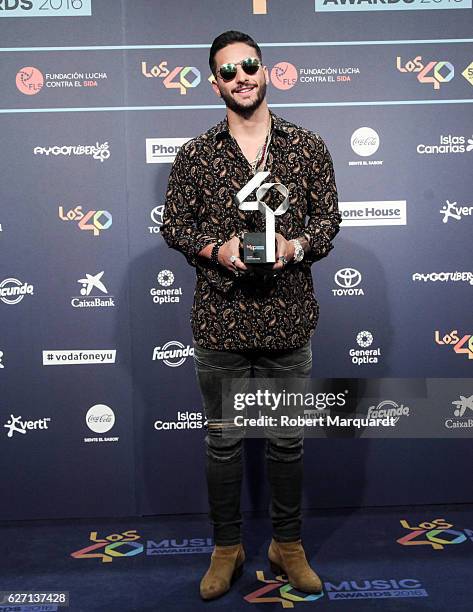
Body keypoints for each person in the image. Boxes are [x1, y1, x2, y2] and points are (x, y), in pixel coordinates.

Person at [161, 30, 341, 601]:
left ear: (266, 72)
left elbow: (329, 224)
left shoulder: (306, 147)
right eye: (228, 70)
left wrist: (296, 248)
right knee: (223, 441)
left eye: (249, 65)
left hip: (287, 319)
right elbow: (174, 227)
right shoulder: (195, 154)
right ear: (214, 84)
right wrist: (218, 251)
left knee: (287, 442)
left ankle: (287, 545)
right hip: (221, 318)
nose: (241, 76)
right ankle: (226, 546)